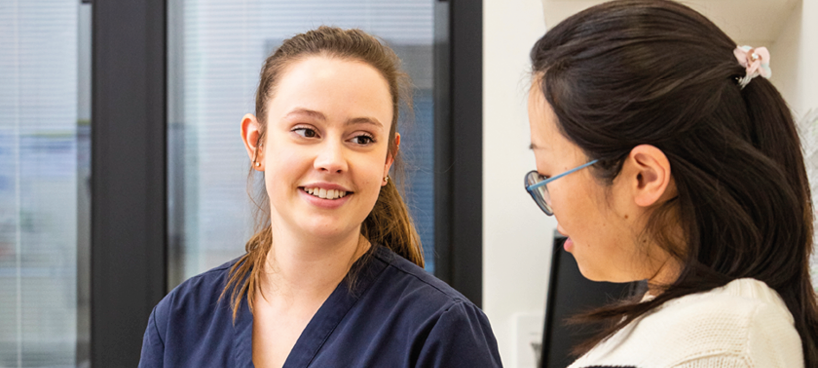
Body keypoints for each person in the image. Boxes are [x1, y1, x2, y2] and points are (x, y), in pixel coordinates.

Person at [139, 26, 501, 368]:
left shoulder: (439, 329)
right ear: (257, 143)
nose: (332, 161)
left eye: (361, 138)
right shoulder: (180, 320)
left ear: (388, 158)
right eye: (306, 131)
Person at [524, 0, 818, 367]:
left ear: (644, 176)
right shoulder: (682, 322)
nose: (547, 198)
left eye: (549, 175)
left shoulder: (722, 342)